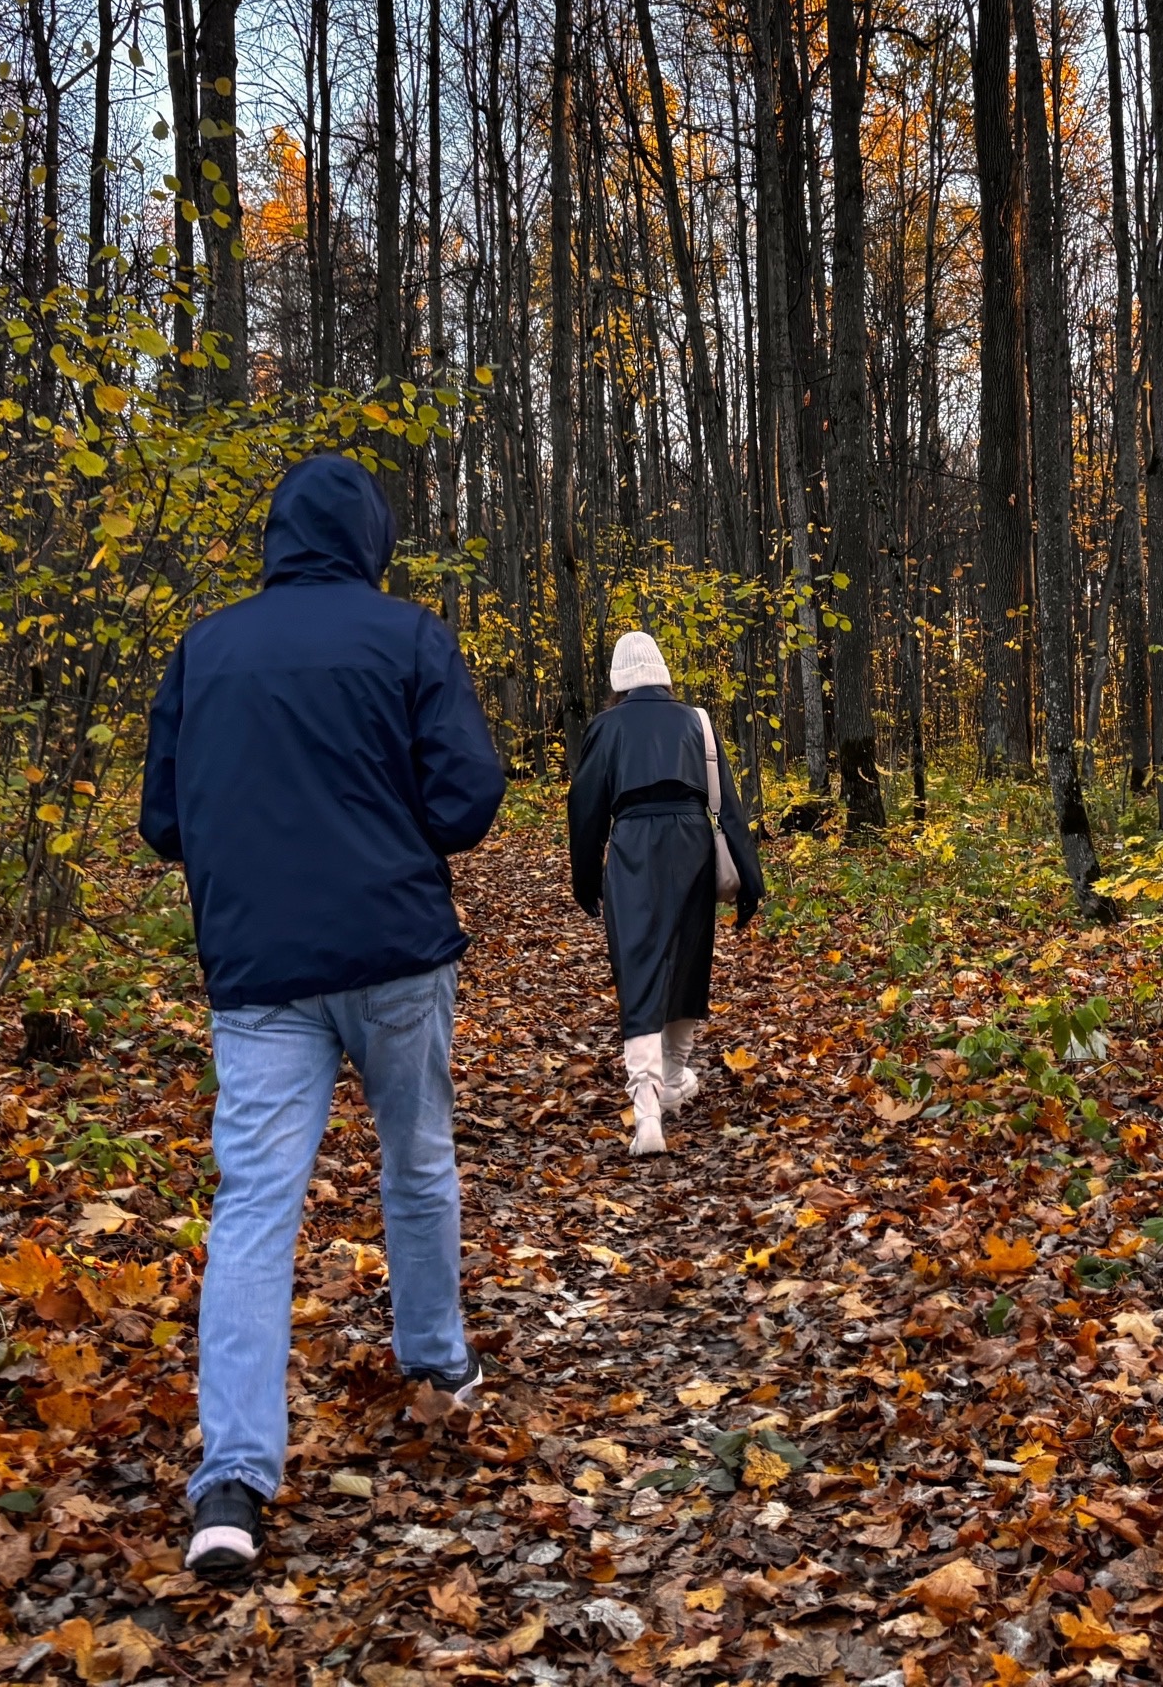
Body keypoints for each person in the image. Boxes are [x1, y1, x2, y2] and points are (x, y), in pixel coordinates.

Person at [139, 453, 505, 1585]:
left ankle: (231, 1482)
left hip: (257, 968)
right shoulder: (408, 637)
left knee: (253, 1206)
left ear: (275, 535)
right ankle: (436, 1365)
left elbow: (163, 820)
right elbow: (468, 798)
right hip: (393, 948)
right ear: (370, 539)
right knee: (418, 1164)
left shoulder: (206, 647)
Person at [567, 631, 763, 1156]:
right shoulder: (694, 721)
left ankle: (648, 1105)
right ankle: (674, 1077)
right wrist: (750, 880)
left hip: (632, 843)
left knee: (640, 963)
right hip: (691, 843)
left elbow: (585, 808)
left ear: (619, 682)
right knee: (687, 958)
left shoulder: (606, 728)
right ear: (661, 673)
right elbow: (728, 804)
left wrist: (584, 876)